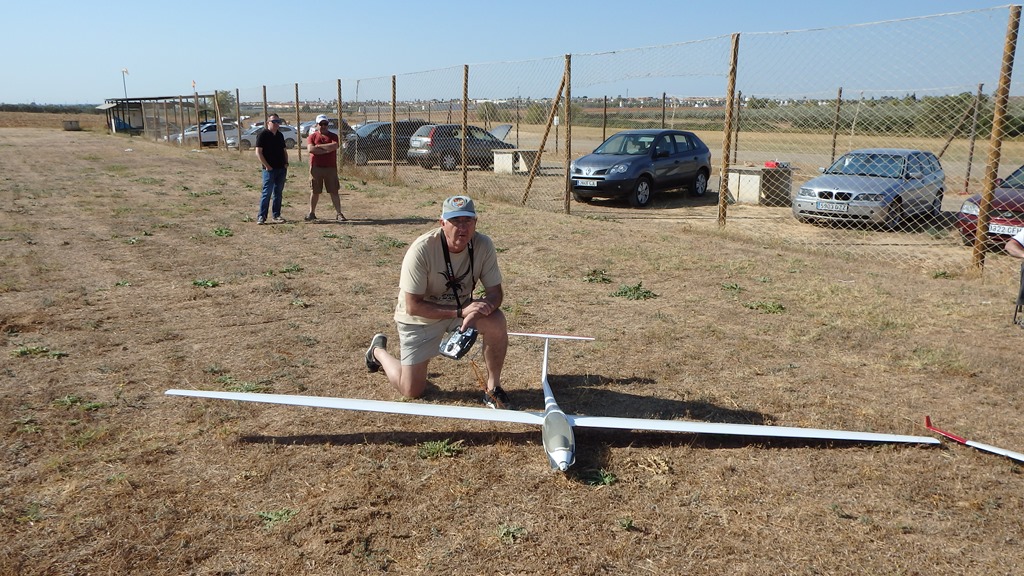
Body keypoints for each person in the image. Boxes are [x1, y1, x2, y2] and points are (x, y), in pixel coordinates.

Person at [365, 195, 511, 408]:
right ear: (442, 223)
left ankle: (493, 388)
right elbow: (413, 305)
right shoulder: (422, 249)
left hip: (462, 312)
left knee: (496, 320)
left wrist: (476, 313)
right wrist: (460, 312)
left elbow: (495, 293)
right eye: (455, 221)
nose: (462, 227)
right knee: (411, 390)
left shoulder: (483, 244)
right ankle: (377, 352)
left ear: (475, 222)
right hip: (420, 318)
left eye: (468, 221)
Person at [305, 114, 346, 222]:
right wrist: (327, 149)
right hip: (316, 168)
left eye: (325, 123)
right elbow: (311, 149)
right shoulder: (312, 137)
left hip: (330, 168)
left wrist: (318, 147)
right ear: (317, 124)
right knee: (315, 191)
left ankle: (339, 213)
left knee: (334, 191)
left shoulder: (333, 136)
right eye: (321, 124)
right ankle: (312, 213)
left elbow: (335, 146)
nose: (323, 126)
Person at [255, 114, 289, 224]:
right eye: (274, 121)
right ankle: (262, 216)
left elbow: (284, 151)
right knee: (267, 193)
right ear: (268, 122)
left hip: (281, 169)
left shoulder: (280, 135)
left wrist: (286, 163)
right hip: (269, 170)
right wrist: (267, 166)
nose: (276, 124)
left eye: (278, 121)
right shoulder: (263, 135)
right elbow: (258, 152)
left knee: (278, 193)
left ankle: (276, 215)